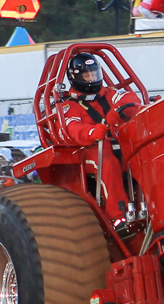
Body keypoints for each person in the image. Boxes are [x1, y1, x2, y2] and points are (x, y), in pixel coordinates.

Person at [58, 53, 141, 219]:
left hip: (118, 142)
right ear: (75, 77)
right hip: (90, 149)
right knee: (106, 162)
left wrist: (114, 114)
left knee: (143, 153)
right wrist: (93, 132)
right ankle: (119, 216)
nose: (91, 79)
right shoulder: (69, 106)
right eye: (87, 75)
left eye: (94, 74)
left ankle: (149, 205)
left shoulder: (110, 94)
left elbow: (131, 99)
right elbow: (71, 128)